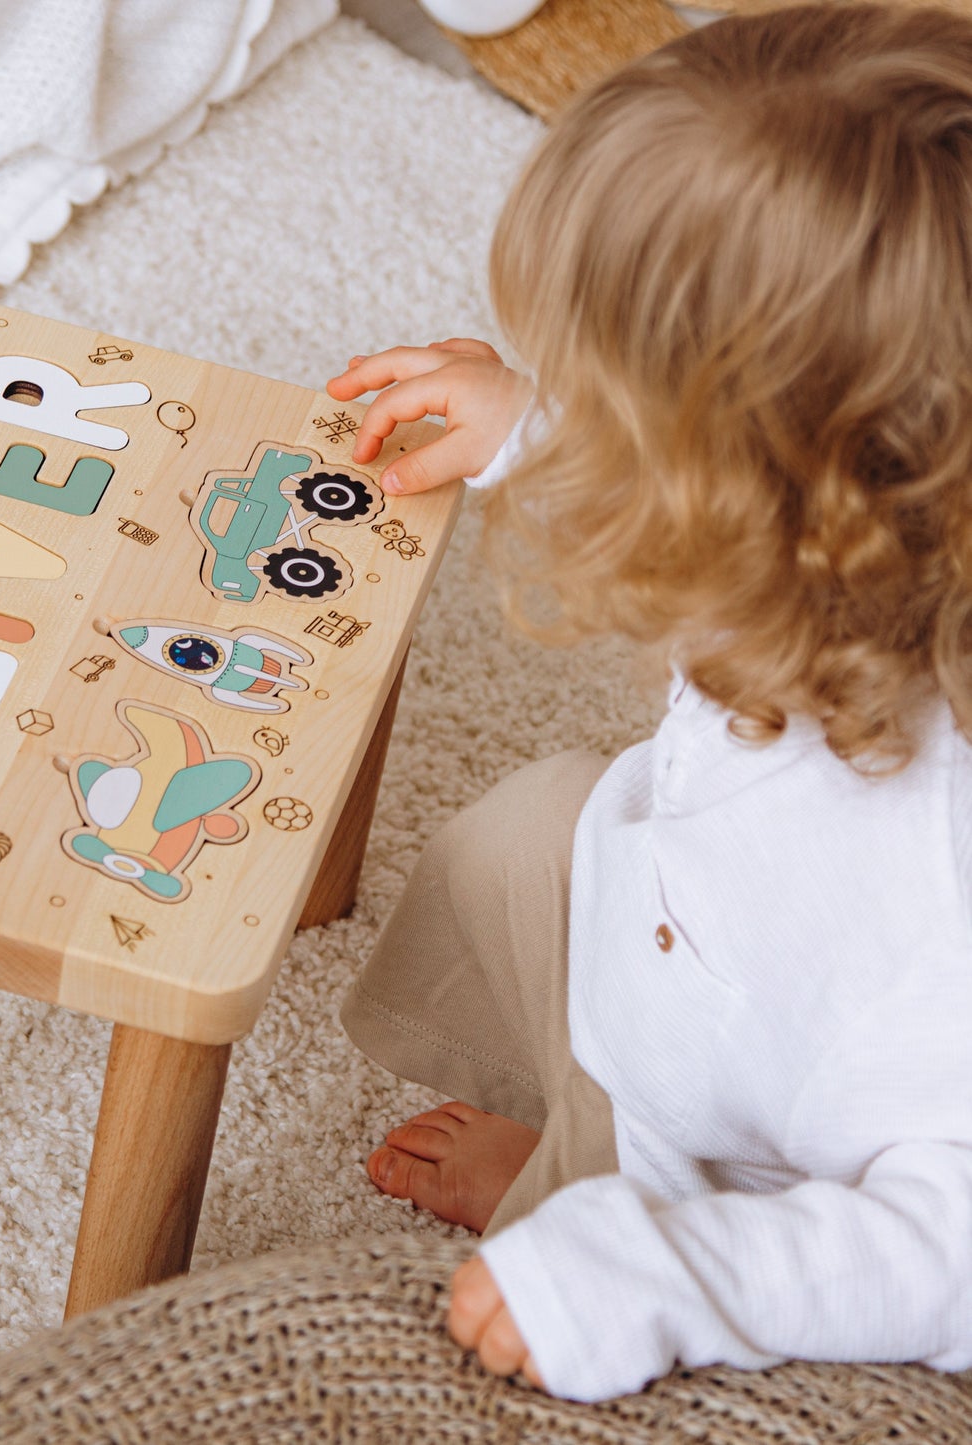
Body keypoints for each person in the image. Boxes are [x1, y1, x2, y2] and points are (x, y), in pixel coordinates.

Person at [325, 3, 972, 1403]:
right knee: (526, 830)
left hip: (768, 1176)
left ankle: (591, 1190)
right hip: (685, 977)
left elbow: (947, 1248)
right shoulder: (872, 527)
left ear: (758, 502)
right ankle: (574, 1139)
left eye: (613, 422)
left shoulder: (936, 890)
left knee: (558, 1275)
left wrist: (674, 1267)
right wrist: (533, 424)